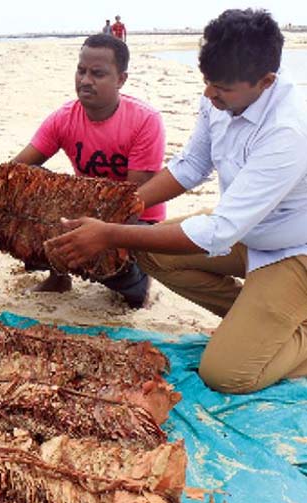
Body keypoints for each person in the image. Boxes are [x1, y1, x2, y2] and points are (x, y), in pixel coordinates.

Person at [46, 9, 307, 394]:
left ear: (266, 81)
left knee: (227, 375)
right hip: (248, 232)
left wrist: (111, 234)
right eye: (207, 82)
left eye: (221, 88)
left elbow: (218, 230)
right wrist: (119, 211)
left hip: (292, 250)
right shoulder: (220, 97)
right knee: (150, 250)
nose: (209, 94)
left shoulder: (288, 130)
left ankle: (283, 330)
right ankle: (259, 322)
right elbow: (191, 166)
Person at [13, 34, 165, 308]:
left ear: (121, 79)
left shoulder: (145, 120)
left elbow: (134, 200)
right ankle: (58, 279)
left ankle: (139, 282)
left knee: (124, 286)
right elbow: (16, 169)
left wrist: (94, 231)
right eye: (81, 71)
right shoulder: (64, 117)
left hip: (138, 219)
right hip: (89, 209)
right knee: (29, 194)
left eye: (97, 74)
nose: (85, 80)